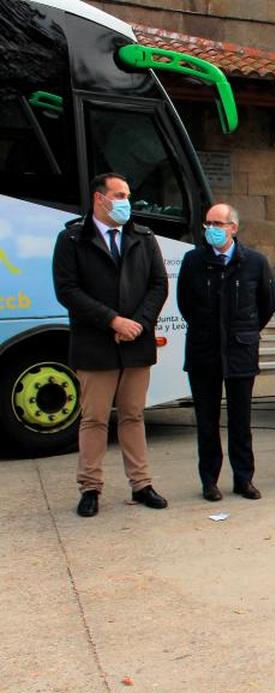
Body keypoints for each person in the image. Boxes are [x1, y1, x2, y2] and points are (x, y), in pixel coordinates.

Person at [52, 173, 169, 517]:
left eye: (128, 195)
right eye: (119, 195)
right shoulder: (72, 238)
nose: (126, 201)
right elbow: (68, 290)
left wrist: (138, 324)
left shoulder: (143, 237)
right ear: (99, 199)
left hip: (136, 343)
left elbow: (158, 285)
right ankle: (90, 487)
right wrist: (112, 321)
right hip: (95, 344)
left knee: (133, 415)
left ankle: (141, 483)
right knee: (95, 419)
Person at [177, 203, 275, 501]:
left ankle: (243, 479)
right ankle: (209, 481)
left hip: (240, 351)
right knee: (206, 422)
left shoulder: (255, 262)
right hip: (203, 352)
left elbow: (266, 305)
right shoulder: (193, 260)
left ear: (233, 227)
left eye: (219, 224)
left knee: (240, 421)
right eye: (209, 223)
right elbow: (185, 303)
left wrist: (244, 331)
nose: (212, 229)